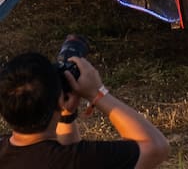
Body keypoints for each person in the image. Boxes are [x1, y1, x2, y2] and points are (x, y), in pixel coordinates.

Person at [0, 49, 168, 167]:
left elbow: (62, 152)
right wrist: (98, 93)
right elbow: (155, 146)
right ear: (59, 100)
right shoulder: (79, 160)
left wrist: (66, 116)